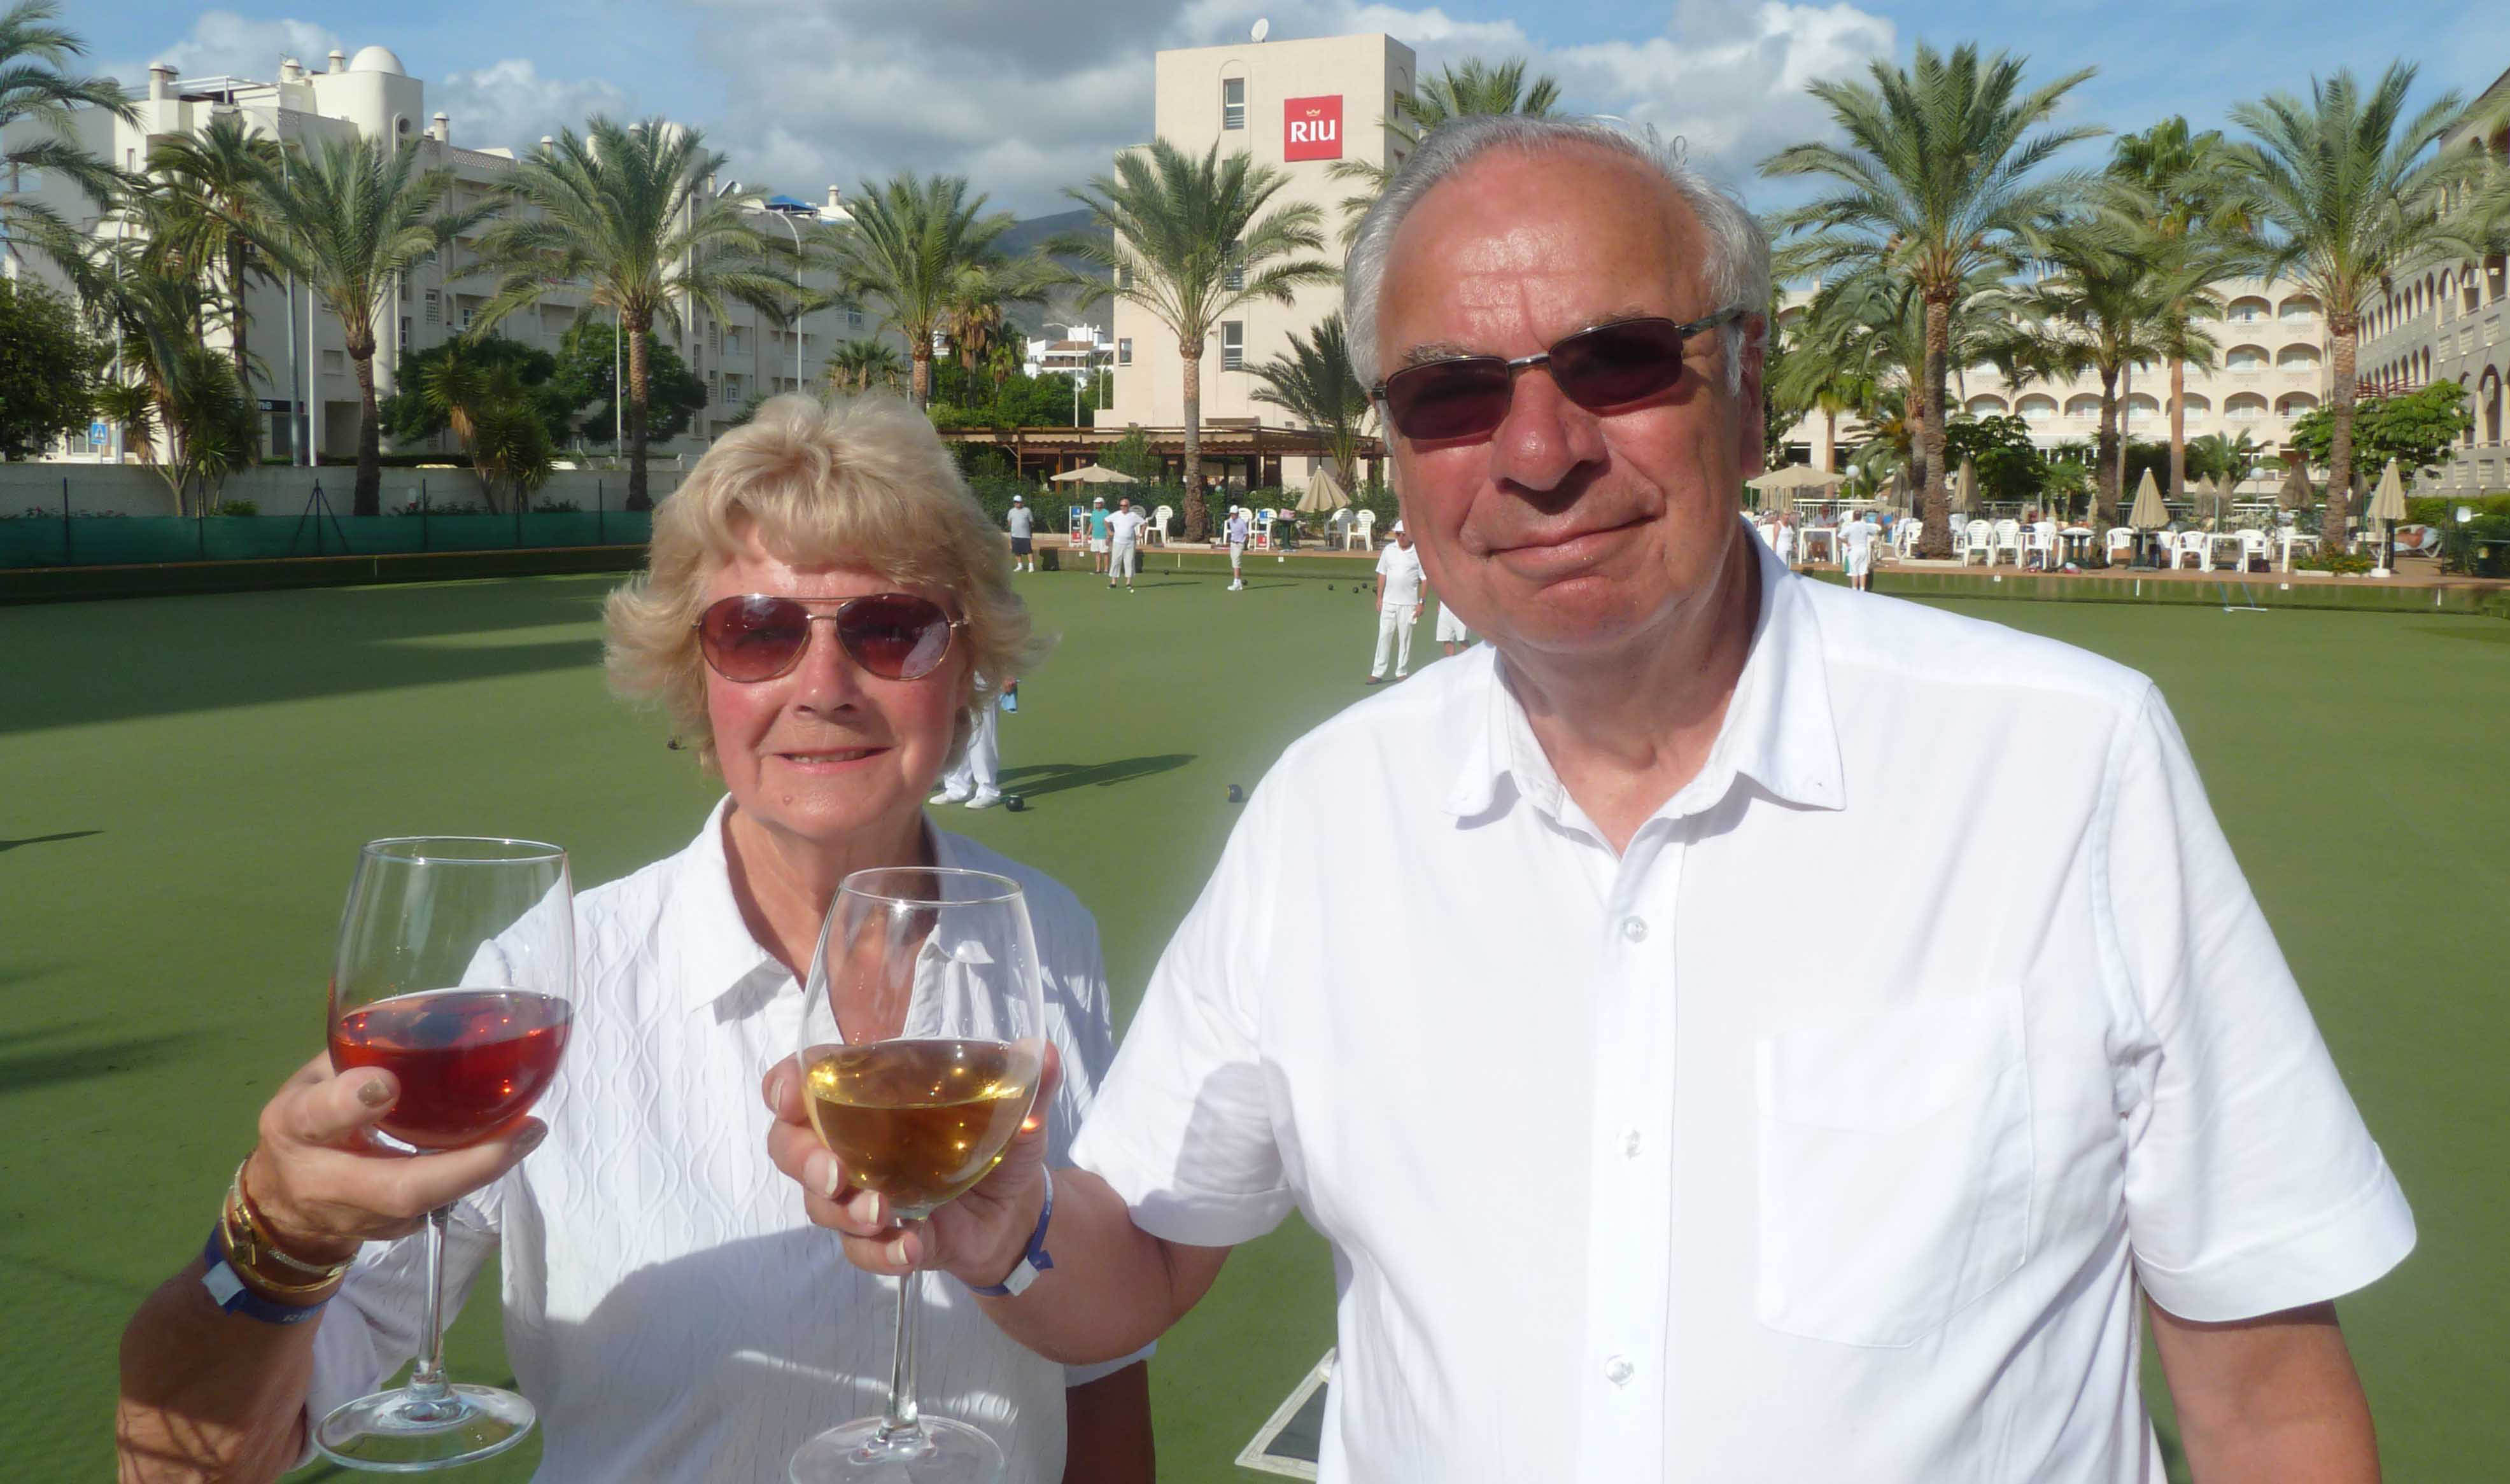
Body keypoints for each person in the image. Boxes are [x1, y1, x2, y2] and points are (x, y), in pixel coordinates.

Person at [768, 118, 2414, 1483]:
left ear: (1745, 384)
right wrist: (1004, 1226)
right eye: (1450, 394)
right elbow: (1135, 1252)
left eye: (1616, 362)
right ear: (1395, 447)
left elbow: (2262, 1388)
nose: (1538, 448)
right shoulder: (1329, 813)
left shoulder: (2060, 760)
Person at [116, 396, 1153, 1484]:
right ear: (695, 676)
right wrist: (272, 1240)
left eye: (892, 628)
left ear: (969, 662)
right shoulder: (547, 980)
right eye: (757, 630)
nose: (823, 688)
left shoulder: (1045, 934)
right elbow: (191, 1469)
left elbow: (1100, 1359)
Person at [934, 678, 1017, 809]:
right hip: (955, 674)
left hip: (984, 674)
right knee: (956, 729)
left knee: (982, 732)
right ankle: (957, 789)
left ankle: (988, 791)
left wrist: (1007, 674)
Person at [1364, 521, 1424, 683]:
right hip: (1389, 602)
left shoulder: (1418, 552)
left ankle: (1402, 672)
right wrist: (1379, 597)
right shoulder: (1388, 550)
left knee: (1405, 639)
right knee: (1384, 636)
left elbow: (1425, 579)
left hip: (1408, 604)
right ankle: (1377, 672)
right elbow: (1382, 574)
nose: (1401, 537)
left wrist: (1421, 602)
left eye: (1404, 534)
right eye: (1398, 534)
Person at [1103, 498, 1145, 592]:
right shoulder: (1116, 515)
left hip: (1130, 543)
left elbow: (1144, 523)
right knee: (1115, 562)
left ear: (1128, 506)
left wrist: (1141, 534)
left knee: (1129, 562)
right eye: (1121, 505)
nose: (1123, 507)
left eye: (1125, 505)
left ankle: (1128, 583)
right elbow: (1106, 521)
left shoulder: (1133, 515)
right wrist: (1109, 531)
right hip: (1118, 543)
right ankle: (1113, 582)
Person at [1837, 506, 1879, 592]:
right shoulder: (1865, 526)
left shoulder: (1850, 526)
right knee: (1863, 571)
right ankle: (1862, 590)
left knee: (1854, 572)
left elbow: (1840, 536)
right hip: (1863, 550)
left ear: (1853, 517)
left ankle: (1855, 590)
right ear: (1861, 517)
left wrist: (1847, 542)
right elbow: (1875, 532)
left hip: (1853, 550)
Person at [1007, 493, 1038, 574]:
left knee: (1028, 551)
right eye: (1016, 502)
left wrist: (1030, 531)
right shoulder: (1011, 511)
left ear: (1022, 502)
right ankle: (1020, 566)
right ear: (1014, 503)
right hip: (1015, 535)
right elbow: (1009, 522)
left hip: (1025, 535)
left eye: (1019, 502)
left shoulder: (1027, 511)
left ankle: (1031, 566)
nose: (1018, 504)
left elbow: (1031, 522)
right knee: (1017, 551)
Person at [1225, 506, 1252, 591]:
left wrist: (1246, 545)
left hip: (1239, 544)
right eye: (1231, 514)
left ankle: (1236, 583)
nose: (1232, 515)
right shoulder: (1230, 521)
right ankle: (1239, 583)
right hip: (1233, 544)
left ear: (1237, 514)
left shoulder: (1242, 523)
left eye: (1234, 514)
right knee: (1235, 563)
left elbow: (1247, 535)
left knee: (1236, 563)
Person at [1090, 500, 1110, 577]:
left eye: (1099, 503)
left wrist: (1108, 536)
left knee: (1105, 553)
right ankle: (1098, 570)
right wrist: (1087, 534)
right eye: (1096, 503)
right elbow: (1092, 524)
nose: (1097, 504)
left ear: (1102, 504)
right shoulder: (1094, 512)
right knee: (1097, 553)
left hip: (1103, 536)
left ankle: (1106, 570)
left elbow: (1109, 524)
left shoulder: (1106, 512)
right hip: (1095, 536)